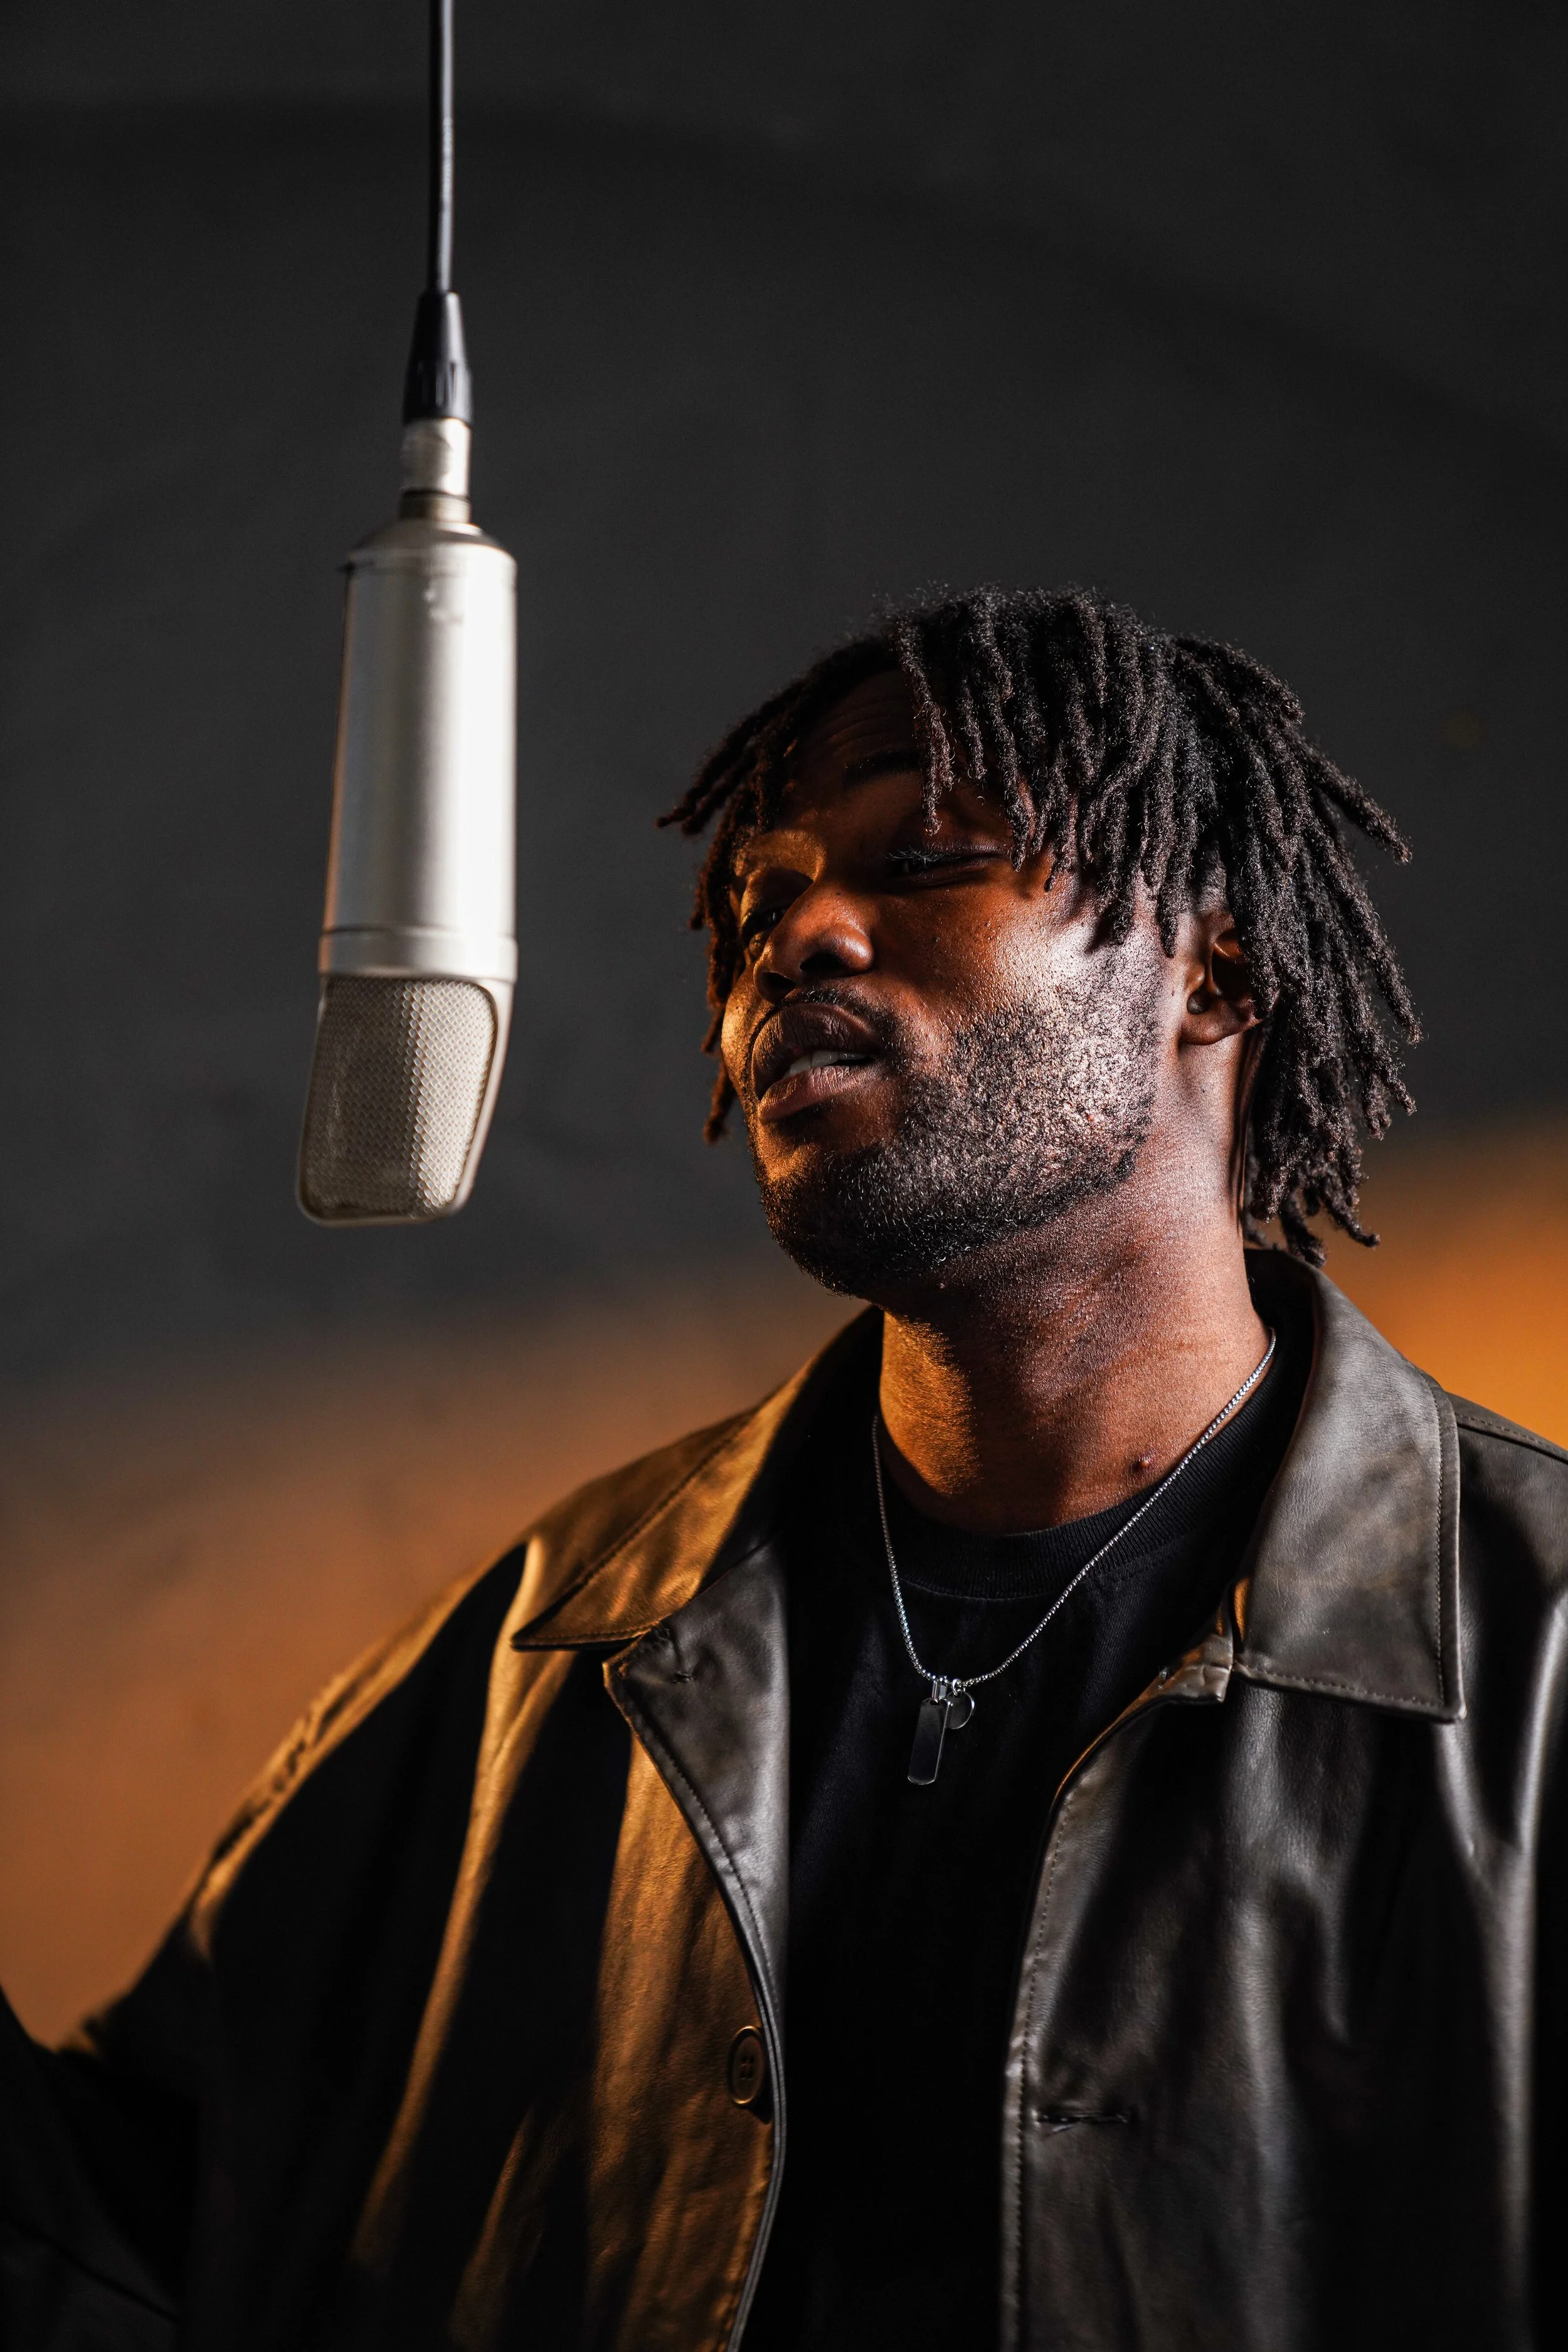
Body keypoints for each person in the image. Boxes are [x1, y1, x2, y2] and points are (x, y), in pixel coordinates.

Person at [3, 586, 1564, 2352]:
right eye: (757, 904)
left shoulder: (1535, 1651)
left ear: (1209, 973)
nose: (798, 935)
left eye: (924, 859)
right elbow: (128, 2227)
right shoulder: (559, 1645)